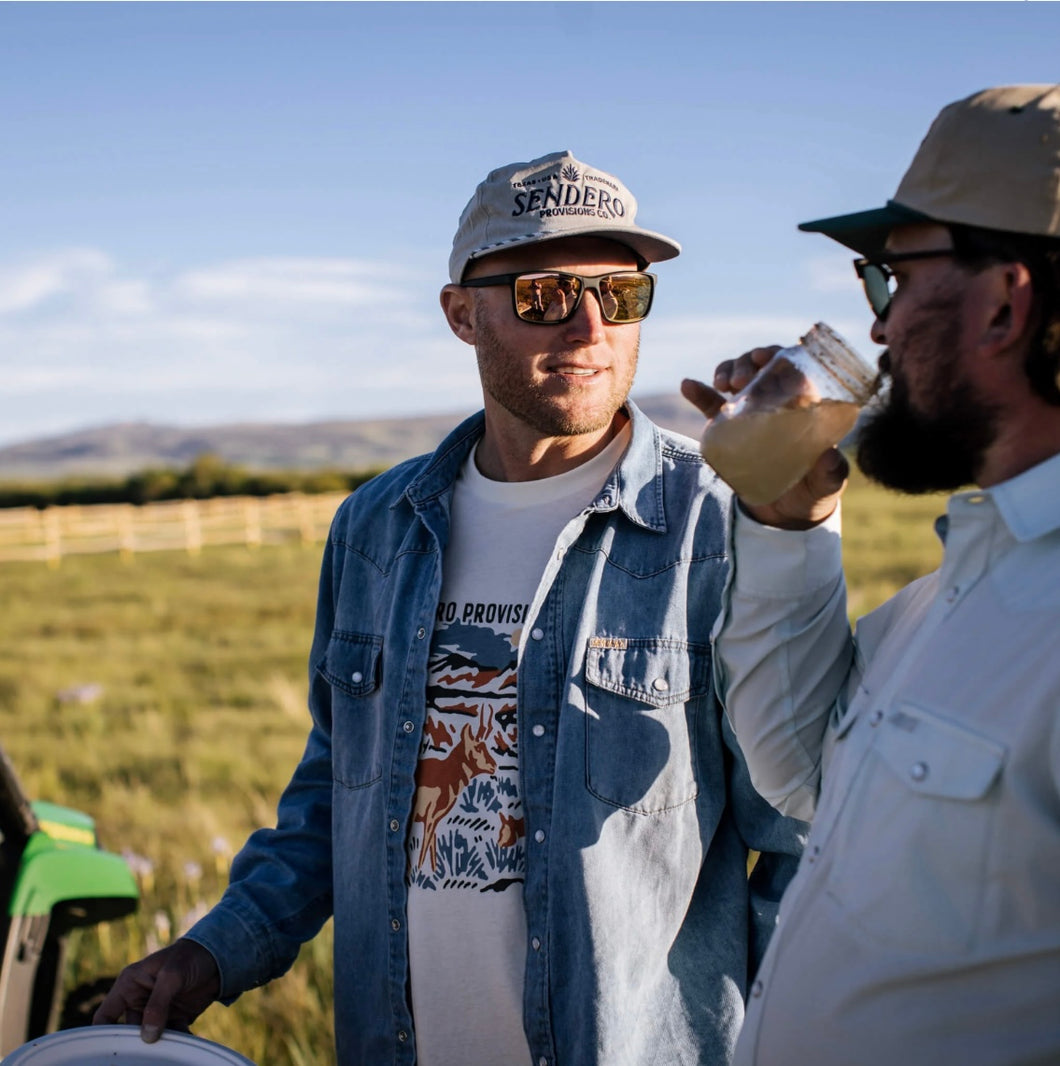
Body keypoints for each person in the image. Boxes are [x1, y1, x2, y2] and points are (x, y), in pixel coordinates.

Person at [94, 149, 805, 1066]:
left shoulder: (720, 521)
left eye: (622, 294)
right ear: (462, 315)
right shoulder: (377, 527)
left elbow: (799, 836)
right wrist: (214, 951)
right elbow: (336, 789)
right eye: (546, 294)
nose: (592, 325)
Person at [682, 85, 1060, 1066]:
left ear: (1004, 304)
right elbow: (803, 774)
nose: (879, 334)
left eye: (888, 282)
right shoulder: (965, 581)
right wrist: (789, 515)